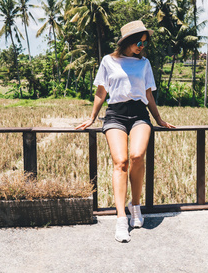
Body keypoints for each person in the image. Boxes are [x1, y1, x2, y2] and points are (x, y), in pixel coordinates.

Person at [75, 20, 175, 243]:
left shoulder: (144, 63)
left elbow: (148, 95)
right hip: (116, 114)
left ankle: (135, 205)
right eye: (138, 42)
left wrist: (159, 119)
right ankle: (121, 218)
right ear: (127, 42)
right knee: (120, 162)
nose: (141, 46)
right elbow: (101, 91)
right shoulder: (108, 61)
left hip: (139, 114)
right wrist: (91, 117)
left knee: (137, 156)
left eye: (144, 43)